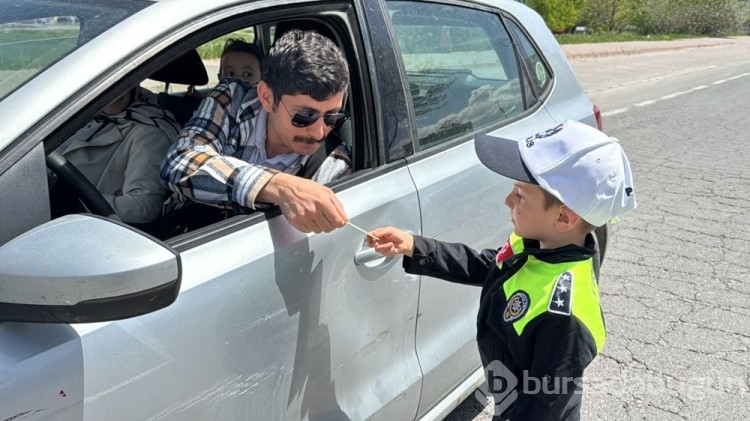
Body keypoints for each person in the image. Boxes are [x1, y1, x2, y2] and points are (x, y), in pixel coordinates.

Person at [365, 120, 637, 420]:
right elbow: (487, 265)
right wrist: (416, 246)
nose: (507, 200)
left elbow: (543, 407)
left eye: (520, 194)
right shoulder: (537, 245)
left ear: (563, 217)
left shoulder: (565, 316)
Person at [161, 29, 351, 234]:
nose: (318, 132)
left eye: (332, 116)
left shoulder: (333, 161)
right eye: (304, 116)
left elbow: (349, 224)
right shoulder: (232, 100)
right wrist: (277, 186)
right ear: (267, 97)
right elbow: (178, 163)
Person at [54, 86, 180, 225]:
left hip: (76, 224)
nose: (111, 93)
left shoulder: (149, 133)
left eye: (119, 87)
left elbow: (144, 206)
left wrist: (75, 205)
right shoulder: (88, 115)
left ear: (133, 83)